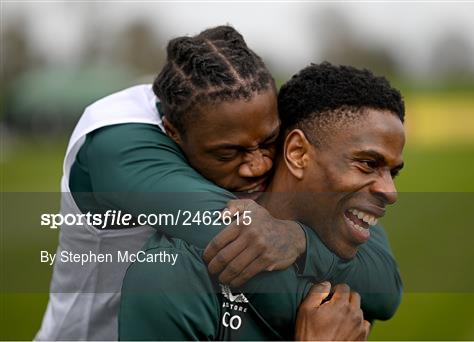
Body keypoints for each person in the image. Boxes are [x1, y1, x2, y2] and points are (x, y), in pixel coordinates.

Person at [36, 26, 401, 340]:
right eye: (229, 154)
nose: (258, 165)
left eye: (268, 142)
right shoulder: (117, 142)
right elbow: (250, 254)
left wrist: (301, 239)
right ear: (173, 134)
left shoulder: (252, 127)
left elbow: (385, 286)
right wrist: (334, 304)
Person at [119, 62, 405, 340]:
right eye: (368, 163)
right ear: (297, 153)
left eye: (392, 172)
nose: (390, 192)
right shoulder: (172, 278)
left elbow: (389, 292)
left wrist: (302, 241)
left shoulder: (347, 232)